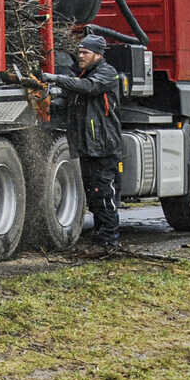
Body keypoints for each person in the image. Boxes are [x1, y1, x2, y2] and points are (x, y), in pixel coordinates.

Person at [39, 34, 123, 254]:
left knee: (104, 193)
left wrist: (55, 78)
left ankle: (109, 241)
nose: (81, 56)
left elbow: (88, 87)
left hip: (103, 146)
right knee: (94, 193)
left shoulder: (106, 74)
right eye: (79, 52)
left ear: (98, 54)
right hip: (87, 146)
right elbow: (66, 104)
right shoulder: (82, 76)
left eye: (85, 52)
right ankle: (100, 238)